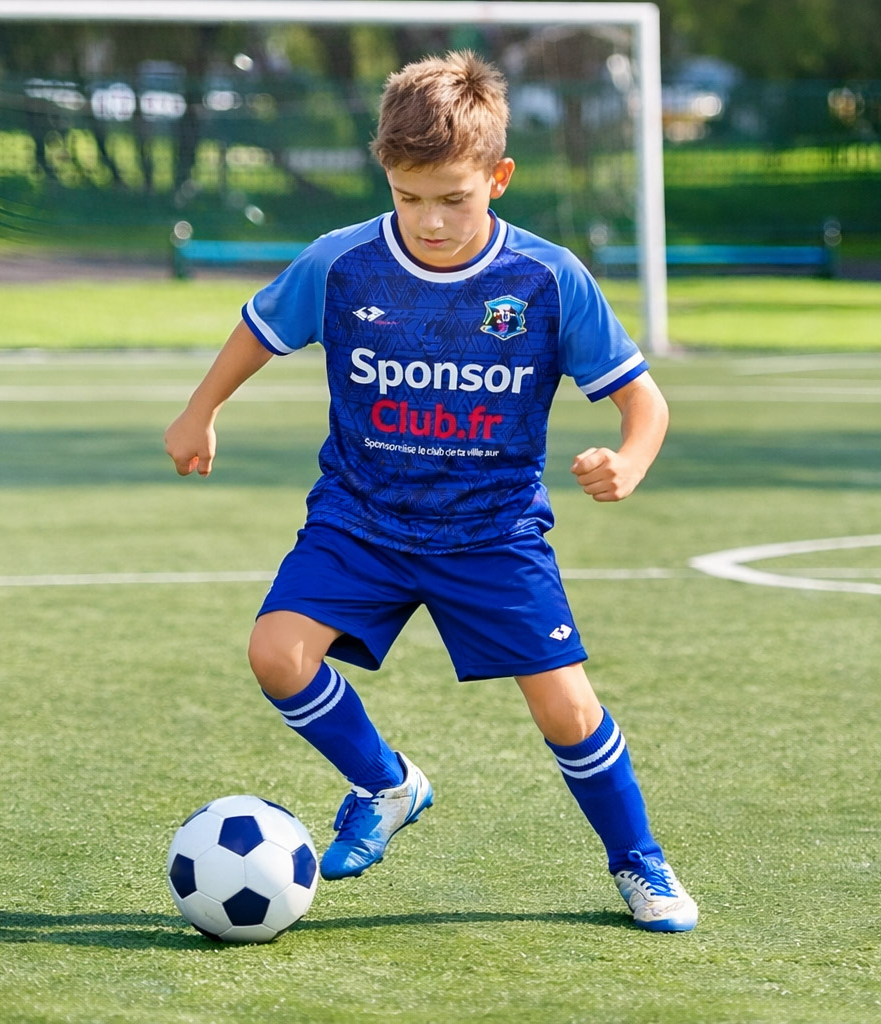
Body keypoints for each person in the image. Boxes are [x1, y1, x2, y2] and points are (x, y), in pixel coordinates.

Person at [164, 51, 697, 932]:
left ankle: (639, 861)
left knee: (567, 708)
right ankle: (386, 782)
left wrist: (632, 458)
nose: (432, 221)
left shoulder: (548, 279)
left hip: (492, 532)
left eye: (455, 197)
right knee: (277, 655)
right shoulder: (342, 263)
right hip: (361, 518)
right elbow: (261, 328)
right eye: (411, 198)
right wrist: (200, 409)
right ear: (387, 175)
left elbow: (644, 399)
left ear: (499, 177)